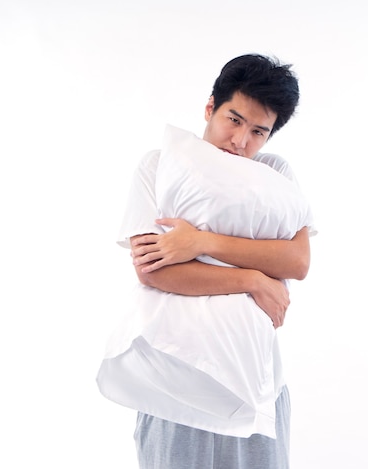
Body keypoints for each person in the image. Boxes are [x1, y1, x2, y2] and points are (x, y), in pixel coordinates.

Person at [97, 53, 316, 469]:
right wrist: (254, 278)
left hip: (258, 384)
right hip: (176, 378)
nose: (240, 141)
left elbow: (297, 260)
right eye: (233, 120)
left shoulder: (275, 173)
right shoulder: (158, 165)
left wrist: (201, 242)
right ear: (210, 107)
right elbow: (153, 270)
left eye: (258, 131)